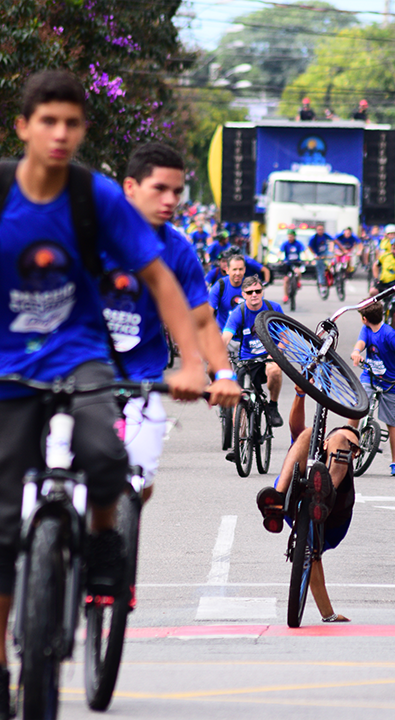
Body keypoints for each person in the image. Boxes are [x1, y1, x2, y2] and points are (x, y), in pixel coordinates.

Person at [0, 70, 206, 720]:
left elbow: (159, 277)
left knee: (106, 457)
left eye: (72, 123)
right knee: (0, 523)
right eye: (48, 121)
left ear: (82, 131)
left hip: (80, 358)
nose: (60, 133)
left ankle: (102, 540)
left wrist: (192, 362)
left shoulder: (94, 196)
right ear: (24, 126)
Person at [112, 142, 240, 501]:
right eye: (159, 189)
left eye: (177, 191)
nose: (170, 200)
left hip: (140, 383)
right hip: (75, 374)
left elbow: (202, 322)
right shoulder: (90, 233)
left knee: (137, 485)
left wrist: (223, 374)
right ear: (130, 187)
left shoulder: (178, 250)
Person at [255, 392, 359, 623]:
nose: (350, 447)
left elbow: (313, 559)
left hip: (334, 517)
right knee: (307, 433)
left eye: (354, 447)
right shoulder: (313, 448)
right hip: (292, 503)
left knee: (341, 439)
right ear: (325, 442)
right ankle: (276, 501)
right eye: (346, 442)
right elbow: (295, 427)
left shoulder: (345, 458)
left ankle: (324, 494)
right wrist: (300, 394)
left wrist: (356, 403)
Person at [350, 300, 395, 475]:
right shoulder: (366, 329)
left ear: (364, 318)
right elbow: (361, 343)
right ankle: (346, 446)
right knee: (357, 409)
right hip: (370, 377)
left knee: (391, 423)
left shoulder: (389, 334)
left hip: (391, 382)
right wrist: (356, 352)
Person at [222, 274, 285, 429]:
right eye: (250, 292)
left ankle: (273, 406)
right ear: (244, 295)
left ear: (262, 292)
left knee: (275, 370)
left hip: (269, 357)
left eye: (258, 291)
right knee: (239, 400)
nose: (254, 294)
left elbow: (285, 338)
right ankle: (241, 437)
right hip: (247, 360)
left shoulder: (274, 308)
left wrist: (275, 354)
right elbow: (226, 337)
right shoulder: (239, 312)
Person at [209, 254, 247, 331]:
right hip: (223, 332)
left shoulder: (250, 286)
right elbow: (208, 313)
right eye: (234, 269)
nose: (237, 273)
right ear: (227, 270)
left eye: (240, 269)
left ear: (244, 270)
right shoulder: (219, 286)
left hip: (244, 333)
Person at [278, 229, 306, 303]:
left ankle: (298, 282)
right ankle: (285, 295)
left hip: (296, 262)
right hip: (287, 263)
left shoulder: (298, 244)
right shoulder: (285, 244)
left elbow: (304, 251)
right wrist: (279, 258)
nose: (290, 238)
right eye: (289, 237)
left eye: (291, 236)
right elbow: (280, 252)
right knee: (286, 280)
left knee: (298, 272)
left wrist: (306, 258)